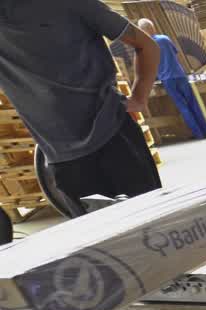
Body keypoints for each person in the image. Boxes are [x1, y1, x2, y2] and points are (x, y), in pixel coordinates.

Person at [0, 0, 162, 217]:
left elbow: (146, 45)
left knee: (153, 228)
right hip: (63, 158)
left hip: (115, 140)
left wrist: (139, 98)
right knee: (107, 245)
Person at [138, 18, 206, 140]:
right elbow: (175, 54)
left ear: (142, 30)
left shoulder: (145, 45)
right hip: (180, 75)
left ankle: (199, 134)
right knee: (193, 103)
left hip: (167, 79)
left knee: (183, 107)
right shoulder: (165, 39)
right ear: (153, 27)